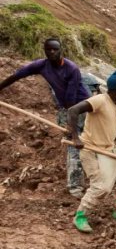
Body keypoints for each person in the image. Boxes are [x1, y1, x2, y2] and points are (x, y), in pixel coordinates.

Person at [0, 35, 98, 194]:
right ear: (44, 51)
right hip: (66, 108)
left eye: (55, 49)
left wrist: (71, 125)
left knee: (81, 142)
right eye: (49, 49)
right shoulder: (41, 65)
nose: (52, 52)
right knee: (75, 144)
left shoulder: (71, 68)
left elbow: (71, 98)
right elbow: (17, 75)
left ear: (61, 50)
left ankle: (88, 182)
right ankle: (78, 185)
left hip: (83, 107)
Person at [63, 70, 116, 233]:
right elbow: (73, 111)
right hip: (92, 149)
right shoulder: (100, 100)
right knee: (101, 187)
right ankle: (80, 216)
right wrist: (76, 138)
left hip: (110, 149)